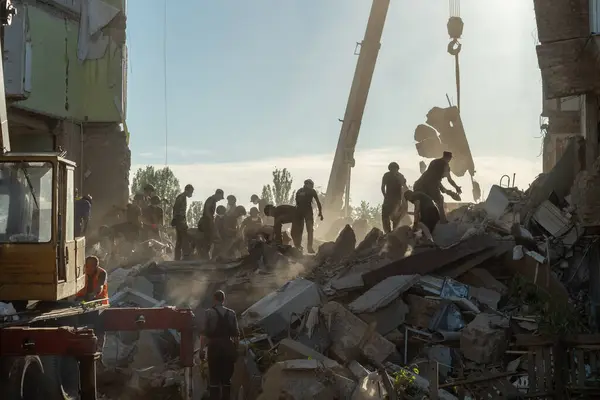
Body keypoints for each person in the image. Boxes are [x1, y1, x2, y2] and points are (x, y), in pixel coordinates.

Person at [200, 290, 239, 400]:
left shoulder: (208, 313)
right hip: (228, 347)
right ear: (224, 299)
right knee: (226, 379)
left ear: (214, 299)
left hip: (214, 348)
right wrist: (236, 349)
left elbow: (203, 334)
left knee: (214, 379)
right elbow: (236, 335)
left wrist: (201, 350)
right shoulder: (231, 313)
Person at [413, 151, 461, 223]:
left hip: (418, 185)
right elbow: (447, 180)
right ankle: (443, 220)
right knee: (439, 200)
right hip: (428, 185)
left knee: (421, 205)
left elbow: (435, 180)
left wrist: (449, 191)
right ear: (449, 158)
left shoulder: (434, 162)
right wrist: (455, 188)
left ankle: (419, 222)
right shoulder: (445, 165)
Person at [294, 179, 323, 253]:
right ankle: (308, 247)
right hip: (307, 213)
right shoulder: (311, 191)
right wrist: (320, 212)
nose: (312, 186)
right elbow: (318, 202)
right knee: (309, 230)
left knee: (300, 230)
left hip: (300, 212)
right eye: (311, 185)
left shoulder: (299, 191)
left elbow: (297, 203)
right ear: (308, 184)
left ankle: (299, 247)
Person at [381, 162, 407, 234]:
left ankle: (393, 232)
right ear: (390, 169)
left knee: (395, 217)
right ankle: (388, 233)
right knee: (386, 217)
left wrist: (403, 199)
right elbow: (383, 187)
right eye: (392, 169)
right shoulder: (387, 175)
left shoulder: (400, 176)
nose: (394, 170)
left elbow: (404, 186)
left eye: (395, 169)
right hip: (389, 199)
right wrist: (385, 196)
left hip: (396, 200)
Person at [198, 189, 225, 259]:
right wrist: (211, 221)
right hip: (206, 222)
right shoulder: (211, 200)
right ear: (218, 194)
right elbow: (207, 211)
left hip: (207, 221)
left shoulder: (212, 200)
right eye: (220, 197)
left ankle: (209, 258)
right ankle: (209, 258)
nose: (219, 200)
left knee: (209, 241)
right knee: (212, 240)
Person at [172, 184, 194, 261]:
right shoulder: (181, 197)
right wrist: (176, 219)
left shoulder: (182, 197)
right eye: (191, 191)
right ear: (187, 190)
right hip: (180, 220)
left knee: (180, 240)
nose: (191, 193)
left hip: (180, 220)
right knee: (184, 239)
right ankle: (185, 257)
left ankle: (177, 258)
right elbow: (176, 208)